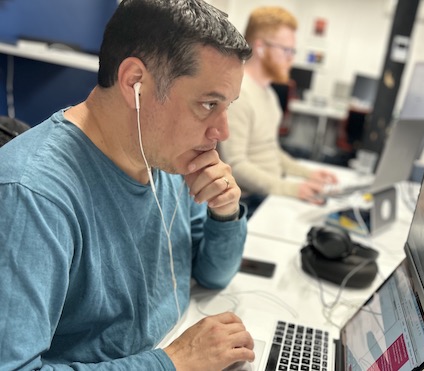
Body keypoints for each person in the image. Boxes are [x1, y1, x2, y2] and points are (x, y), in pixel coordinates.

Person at [0, 0, 256, 369]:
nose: (222, 131)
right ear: (135, 82)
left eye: (227, 105)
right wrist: (174, 362)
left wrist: (225, 213)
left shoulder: (165, 155)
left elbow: (211, 274)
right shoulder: (33, 195)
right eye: (208, 103)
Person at [217, 6, 338, 216]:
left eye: (293, 51)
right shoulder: (239, 94)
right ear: (261, 48)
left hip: (269, 192)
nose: (291, 58)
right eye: (286, 50)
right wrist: (291, 189)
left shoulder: (269, 95)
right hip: (247, 202)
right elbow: (235, 164)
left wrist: (308, 175)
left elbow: (271, 151)